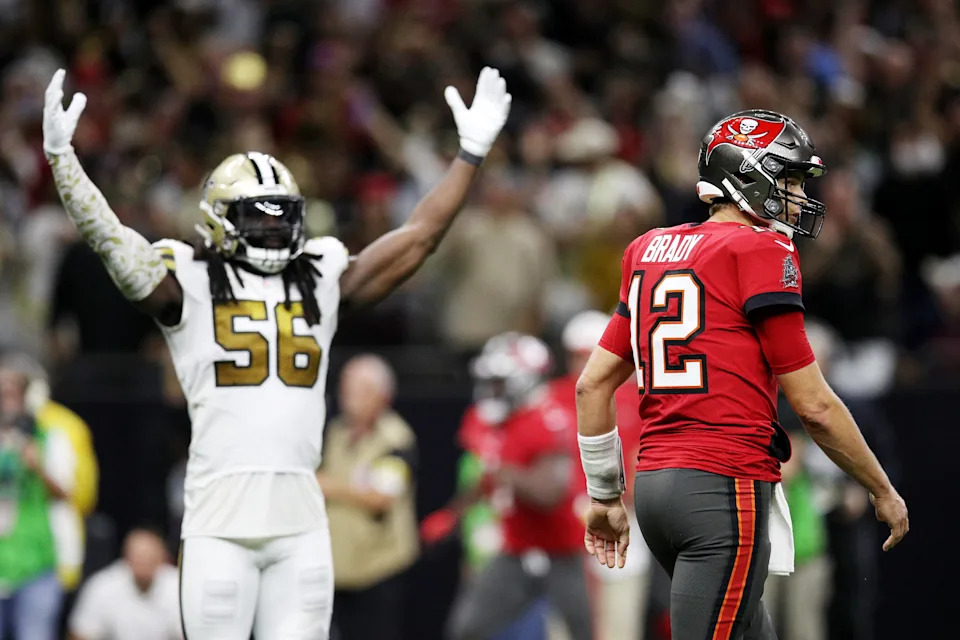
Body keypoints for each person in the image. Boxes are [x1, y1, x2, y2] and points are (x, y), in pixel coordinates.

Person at [42, 66, 511, 640]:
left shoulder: (321, 273)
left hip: (300, 525)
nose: (272, 232)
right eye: (255, 219)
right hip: (220, 525)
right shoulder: (186, 279)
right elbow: (111, 238)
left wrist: (470, 155)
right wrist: (64, 163)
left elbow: (418, 238)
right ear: (218, 221)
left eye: (280, 217)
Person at [574, 109, 909, 640]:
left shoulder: (647, 249)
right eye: (790, 180)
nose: (797, 197)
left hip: (657, 491)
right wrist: (881, 486)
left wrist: (605, 495)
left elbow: (592, 384)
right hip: (723, 486)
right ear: (747, 174)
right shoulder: (761, 247)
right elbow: (815, 406)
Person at [446, 333, 592, 640]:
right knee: (467, 629)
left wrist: (507, 473)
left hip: (561, 550)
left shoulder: (550, 420)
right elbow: (484, 478)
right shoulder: (488, 419)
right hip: (514, 546)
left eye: (499, 381)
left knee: (580, 632)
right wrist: (452, 515)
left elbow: (551, 493)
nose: (491, 390)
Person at [550, 310, 650, 640]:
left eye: (590, 355)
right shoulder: (552, 397)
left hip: (620, 516)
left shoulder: (637, 396)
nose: (584, 365)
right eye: (577, 357)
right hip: (565, 523)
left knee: (620, 619)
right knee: (565, 623)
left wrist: (624, 494)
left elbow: (644, 459)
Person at [317, 355, 418, 640]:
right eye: (346, 389)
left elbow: (381, 497)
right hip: (338, 569)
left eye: (361, 391)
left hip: (378, 570)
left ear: (383, 396)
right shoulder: (336, 432)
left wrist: (326, 485)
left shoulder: (396, 439)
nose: (350, 398)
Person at [0, 354, 76, 640]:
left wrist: (39, 466)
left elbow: (68, 494)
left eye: (12, 389)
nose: (6, 398)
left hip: (36, 564)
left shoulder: (51, 437)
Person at [67, 528, 181, 640]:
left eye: (150, 557)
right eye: (139, 557)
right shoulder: (102, 586)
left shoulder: (179, 589)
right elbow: (81, 634)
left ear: (163, 558)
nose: (144, 563)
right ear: (126, 557)